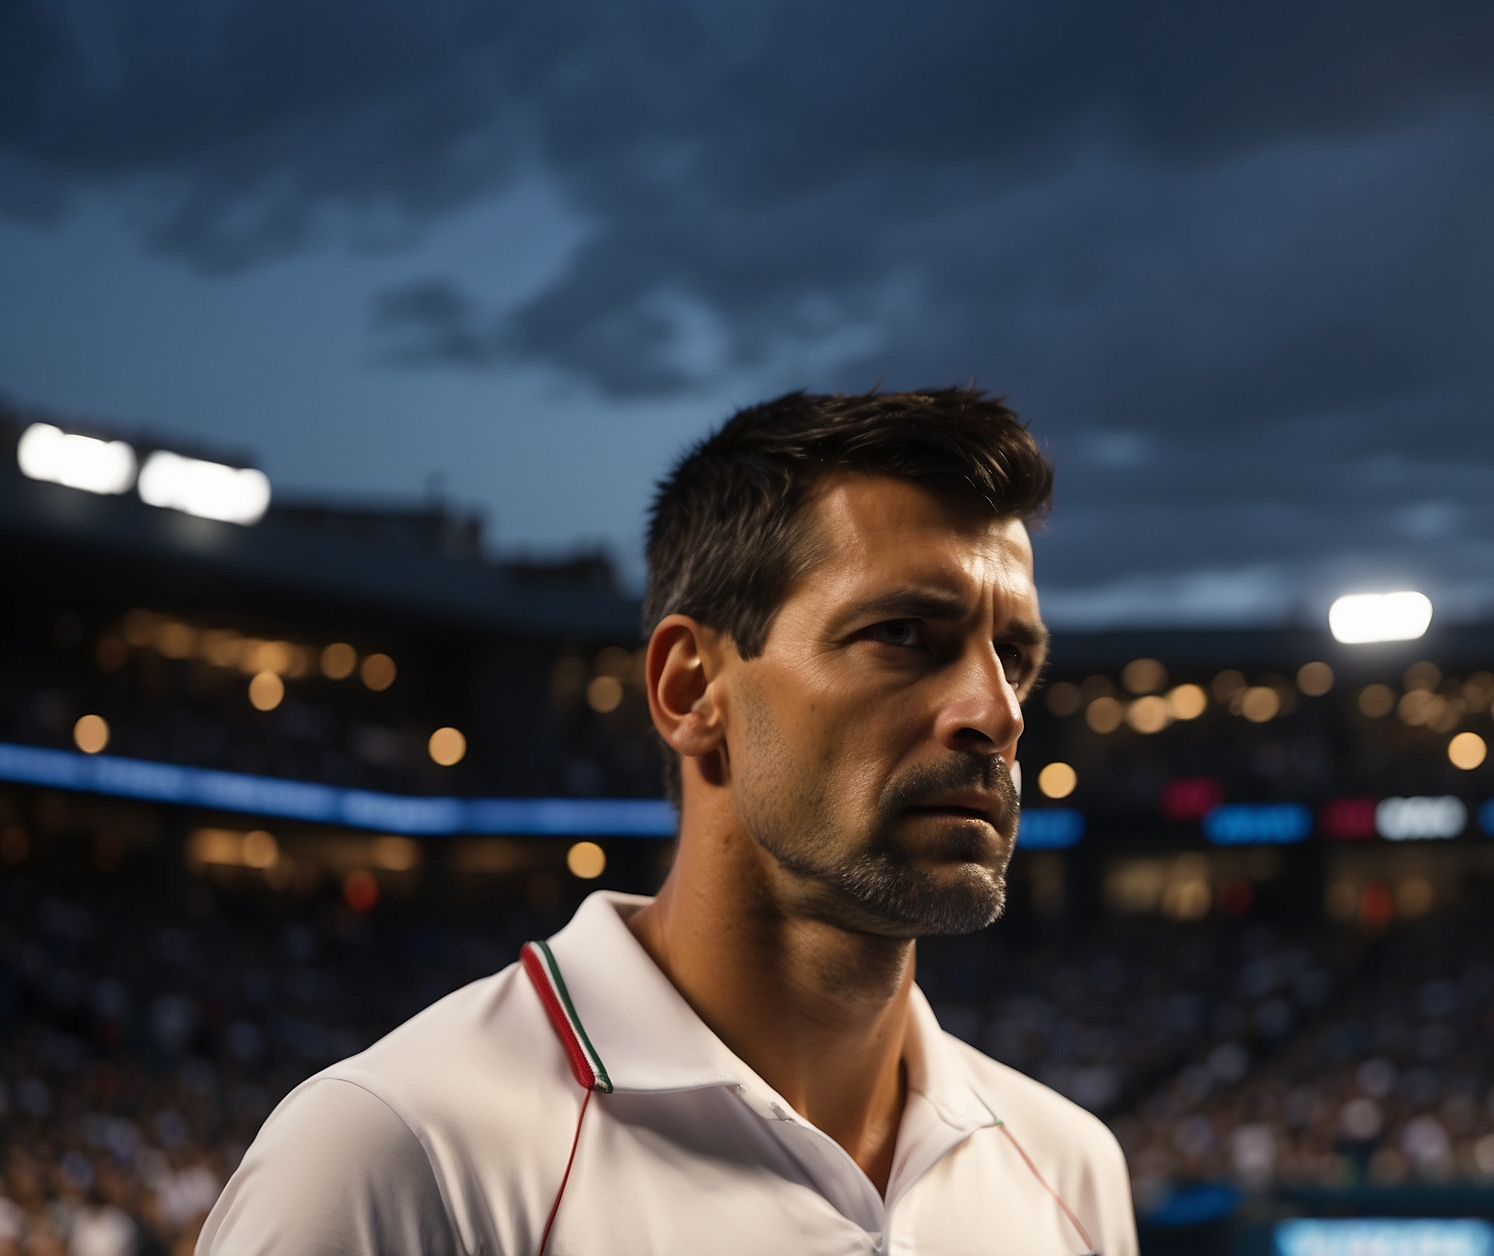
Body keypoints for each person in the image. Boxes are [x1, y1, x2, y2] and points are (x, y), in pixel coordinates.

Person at [199, 389, 1136, 1255]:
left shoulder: (1073, 1173)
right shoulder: (394, 1154)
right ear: (691, 689)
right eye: (901, 635)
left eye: (1014, 656)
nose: (999, 713)